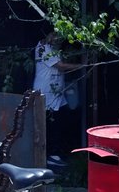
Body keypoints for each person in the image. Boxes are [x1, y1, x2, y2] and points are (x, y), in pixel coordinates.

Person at [33, 29, 83, 164]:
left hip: (57, 92)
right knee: (53, 123)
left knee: (65, 118)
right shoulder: (44, 48)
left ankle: (60, 151)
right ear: (46, 34)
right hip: (47, 93)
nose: (57, 39)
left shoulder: (52, 49)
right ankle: (52, 155)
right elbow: (60, 66)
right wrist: (83, 66)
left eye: (59, 37)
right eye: (54, 35)